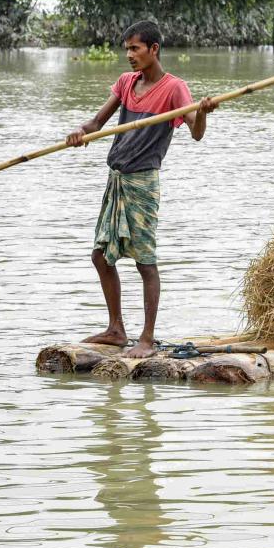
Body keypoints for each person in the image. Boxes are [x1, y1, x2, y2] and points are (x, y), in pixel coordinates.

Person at [65, 20, 217, 358]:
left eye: (135, 49)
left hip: (143, 182)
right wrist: (79, 132)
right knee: (100, 256)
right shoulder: (126, 83)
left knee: (145, 263)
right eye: (127, 50)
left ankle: (146, 338)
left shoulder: (175, 89)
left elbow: (196, 133)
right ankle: (116, 329)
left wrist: (203, 112)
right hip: (116, 179)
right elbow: (96, 123)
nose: (130, 56)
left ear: (154, 49)